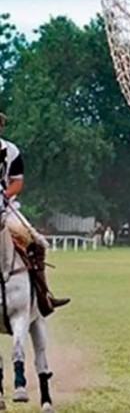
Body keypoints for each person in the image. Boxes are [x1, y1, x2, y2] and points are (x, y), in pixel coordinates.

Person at [0, 112, 70, 316]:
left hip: (5, 208)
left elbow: (17, 181)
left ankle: (44, 295)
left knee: (36, 244)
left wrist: (4, 195)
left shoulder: (11, 151)